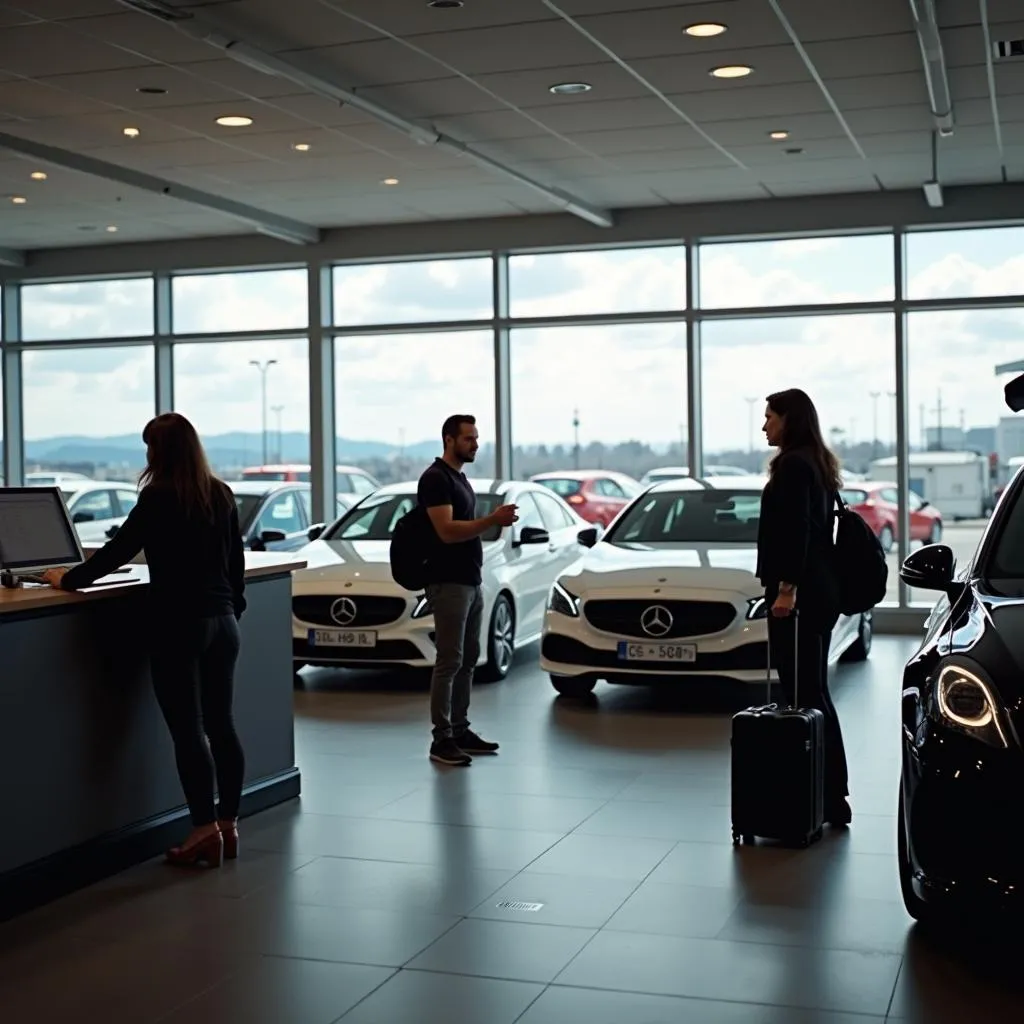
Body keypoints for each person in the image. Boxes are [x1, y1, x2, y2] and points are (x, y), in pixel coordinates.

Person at [43, 412, 247, 867]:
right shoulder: (221, 493)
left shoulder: (157, 497)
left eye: (149, 446)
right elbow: (236, 568)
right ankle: (229, 825)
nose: (146, 454)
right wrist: (231, 610)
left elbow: (113, 556)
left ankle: (202, 831)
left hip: (179, 625)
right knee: (222, 724)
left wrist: (64, 579)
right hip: (223, 623)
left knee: (188, 731)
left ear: (160, 451)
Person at [756, 388, 852, 827]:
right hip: (819, 590)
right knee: (812, 690)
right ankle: (829, 792)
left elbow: (796, 533)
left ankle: (827, 795)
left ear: (789, 420)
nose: (764, 426)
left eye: (770, 417)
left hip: (801, 594)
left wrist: (785, 590)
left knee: (804, 692)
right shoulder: (814, 461)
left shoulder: (794, 465)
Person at [417, 414, 518, 766]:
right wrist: (492, 520)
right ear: (449, 440)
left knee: (468, 659)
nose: (475, 444)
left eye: (476, 438)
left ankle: (459, 728)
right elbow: (446, 531)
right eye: (468, 439)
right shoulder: (435, 479)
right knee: (449, 660)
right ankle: (441, 738)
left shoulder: (459, 478)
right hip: (448, 582)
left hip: (470, 580)